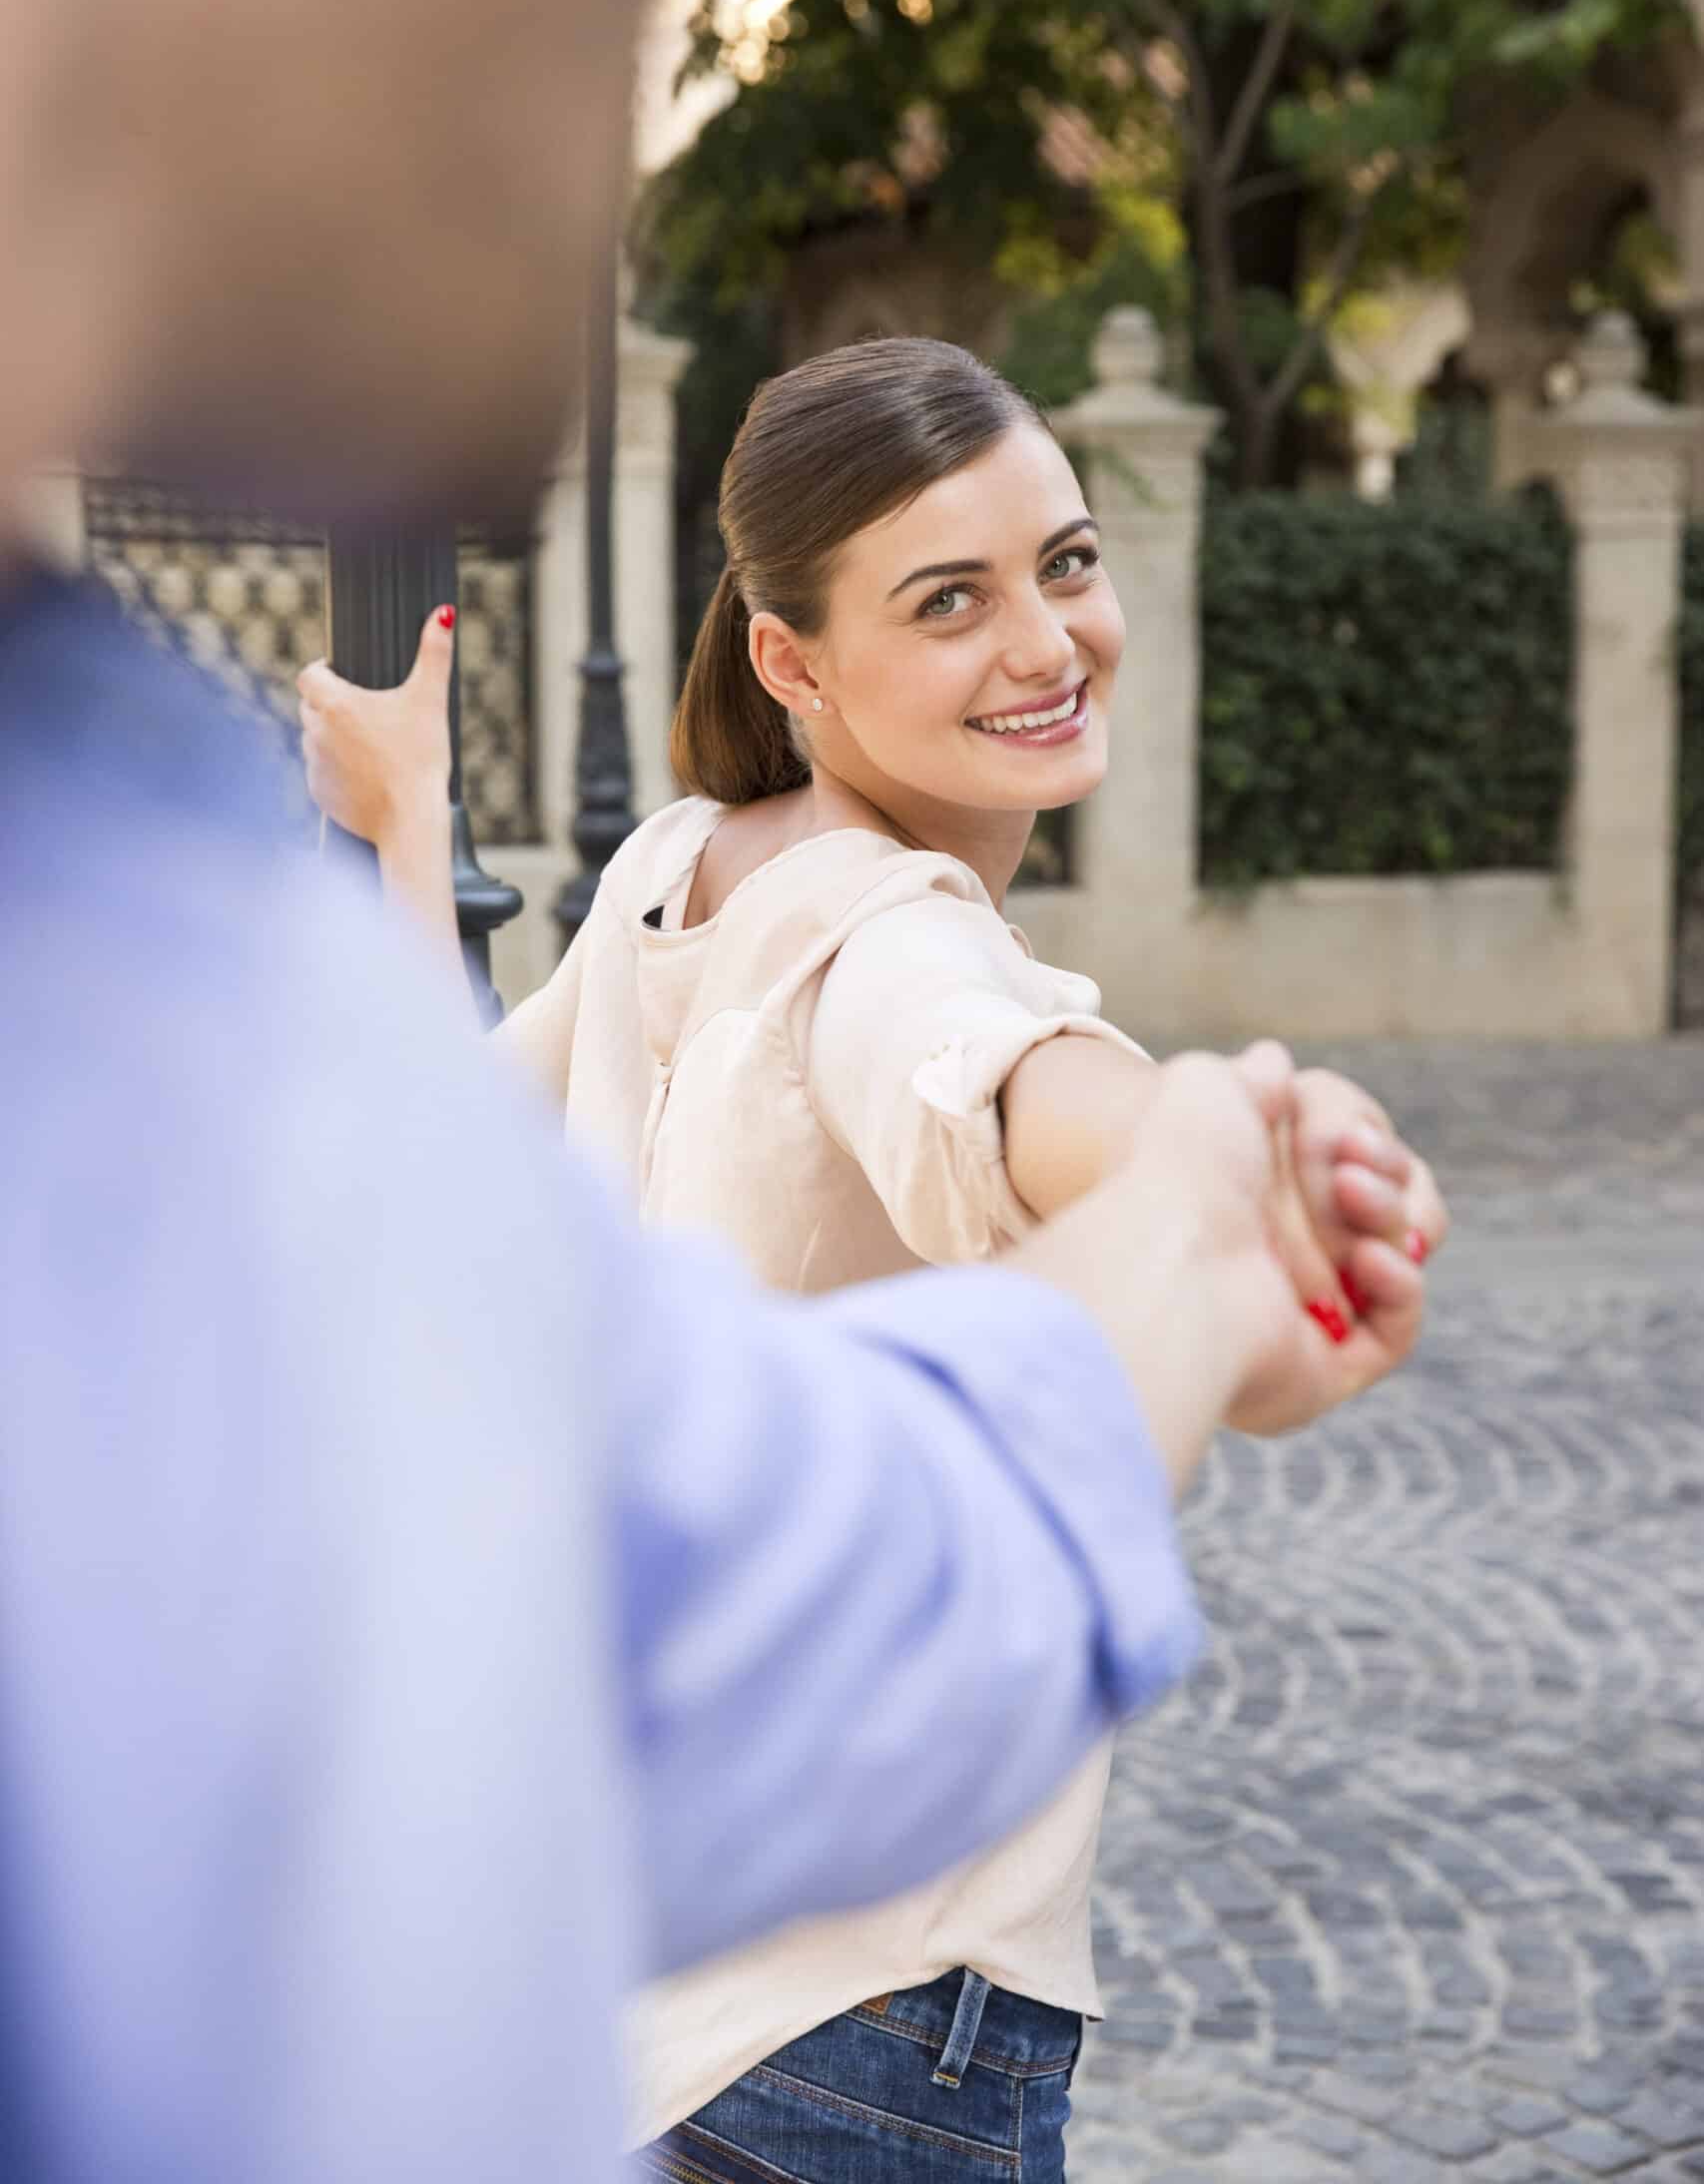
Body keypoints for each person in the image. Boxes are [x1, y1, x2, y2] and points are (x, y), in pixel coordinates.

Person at [300, 336, 1444, 2178]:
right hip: (879, 2019)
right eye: (950, 601)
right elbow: (989, 1079)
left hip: (656, 1994)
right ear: (791, 658)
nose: (1048, 640)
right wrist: (1208, 1159)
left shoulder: (682, 868)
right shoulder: (876, 918)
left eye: (1066, 562)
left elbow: (449, 1171)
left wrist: (412, 824)